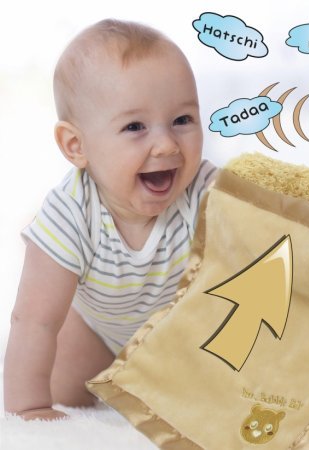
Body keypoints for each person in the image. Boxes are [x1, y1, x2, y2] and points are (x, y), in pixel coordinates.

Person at [3, 19, 217, 421]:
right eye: (135, 127)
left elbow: (265, 242)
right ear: (76, 146)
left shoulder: (205, 191)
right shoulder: (70, 214)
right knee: (60, 381)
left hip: (181, 338)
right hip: (96, 332)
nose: (166, 144)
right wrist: (30, 409)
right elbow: (32, 321)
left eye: (182, 120)